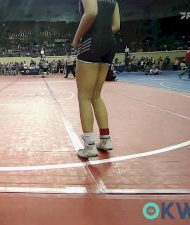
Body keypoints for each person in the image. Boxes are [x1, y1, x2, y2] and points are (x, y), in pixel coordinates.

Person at [72, 0, 120, 158]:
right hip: (109, 43)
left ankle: (89, 146)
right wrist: (103, 34)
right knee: (96, 95)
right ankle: (105, 140)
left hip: (91, 42)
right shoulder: (113, 1)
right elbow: (116, 26)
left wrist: (77, 38)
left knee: (84, 96)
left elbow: (91, 12)